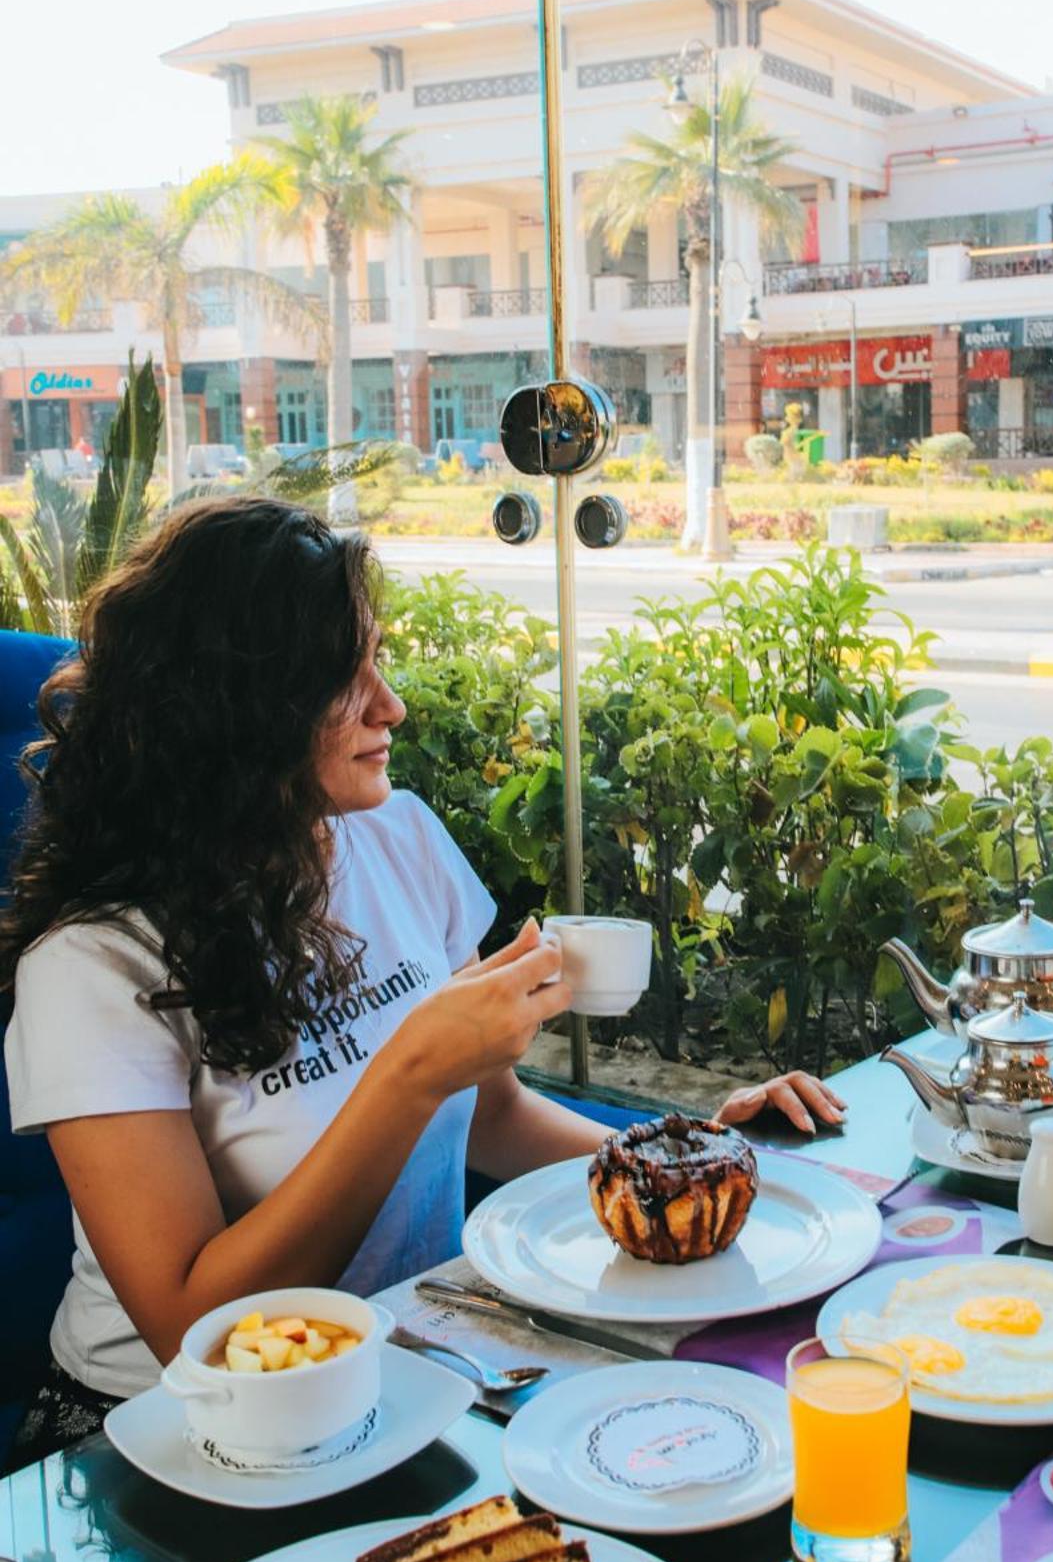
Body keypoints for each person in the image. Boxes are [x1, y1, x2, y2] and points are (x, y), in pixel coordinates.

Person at [1, 497, 843, 1465]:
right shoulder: (96, 963)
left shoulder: (394, 835)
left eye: (379, 657)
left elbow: (496, 1119)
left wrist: (693, 1159)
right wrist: (406, 1073)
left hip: (408, 1360)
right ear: (227, 705)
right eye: (339, 677)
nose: (389, 703)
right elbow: (197, 1325)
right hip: (177, 1427)